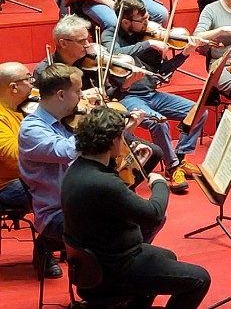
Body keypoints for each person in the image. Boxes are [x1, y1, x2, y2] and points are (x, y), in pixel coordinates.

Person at [62, 105, 211, 309]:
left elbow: (114, 198)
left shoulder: (78, 168)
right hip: (115, 268)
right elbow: (153, 215)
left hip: (96, 260)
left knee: (167, 257)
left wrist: (135, 167)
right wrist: (159, 183)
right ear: (114, 141)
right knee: (200, 279)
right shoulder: (102, 182)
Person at [101, 0, 210, 193]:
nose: (147, 23)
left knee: (198, 112)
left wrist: (184, 54)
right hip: (127, 96)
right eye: (141, 20)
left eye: (146, 18)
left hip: (151, 94)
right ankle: (173, 167)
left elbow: (161, 73)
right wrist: (148, 45)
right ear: (125, 22)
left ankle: (180, 157)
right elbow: (113, 55)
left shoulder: (151, 34)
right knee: (159, 122)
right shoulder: (110, 34)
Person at [18, 63, 86, 279]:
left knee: (143, 217)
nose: (82, 95)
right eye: (77, 91)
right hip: (55, 213)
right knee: (117, 231)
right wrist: (93, 128)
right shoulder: (31, 129)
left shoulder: (63, 122)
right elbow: (64, 151)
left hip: (81, 203)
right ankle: (100, 291)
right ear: (61, 94)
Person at [0, 63, 33, 239]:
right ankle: (46, 251)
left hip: (25, 178)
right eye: (28, 79)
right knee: (53, 188)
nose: (33, 84)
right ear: (13, 87)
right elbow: (16, 156)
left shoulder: (23, 108)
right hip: (6, 186)